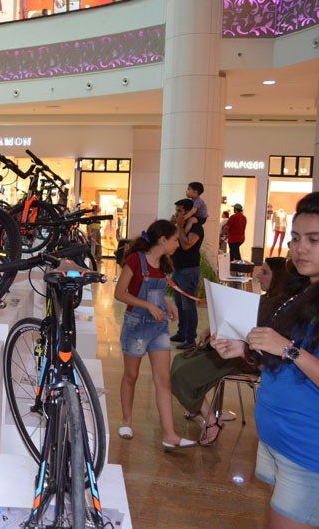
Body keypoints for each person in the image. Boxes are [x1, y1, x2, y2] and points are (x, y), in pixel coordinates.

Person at [211, 191, 319, 528]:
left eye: (314, 240)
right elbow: (285, 364)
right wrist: (245, 350)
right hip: (276, 437)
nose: (301, 249)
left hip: (307, 450)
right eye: (296, 238)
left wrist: (287, 348)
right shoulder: (300, 292)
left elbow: (292, 353)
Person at [170, 256, 289, 446]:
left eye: (265, 272)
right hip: (235, 350)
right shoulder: (265, 301)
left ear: (279, 278)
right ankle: (197, 405)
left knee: (181, 373)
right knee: (181, 361)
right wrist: (213, 328)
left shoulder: (282, 308)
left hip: (246, 358)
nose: (258, 275)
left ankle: (210, 421)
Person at [114, 219, 196, 451]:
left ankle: (170, 435)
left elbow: (156, 293)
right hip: (137, 325)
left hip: (159, 327)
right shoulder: (135, 260)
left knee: (163, 379)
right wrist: (148, 306)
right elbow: (120, 293)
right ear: (162, 240)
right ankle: (126, 421)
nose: (178, 244)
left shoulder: (164, 263)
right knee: (131, 375)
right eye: (175, 240)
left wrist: (167, 304)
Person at [170, 198, 203, 350]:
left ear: (188, 213)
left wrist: (180, 227)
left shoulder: (196, 228)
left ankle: (190, 339)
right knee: (179, 304)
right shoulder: (180, 226)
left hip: (189, 270)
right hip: (178, 269)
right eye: (176, 211)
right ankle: (182, 332)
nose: (177, 214)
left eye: (180, 211)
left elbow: (187, 245)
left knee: (188, 305)